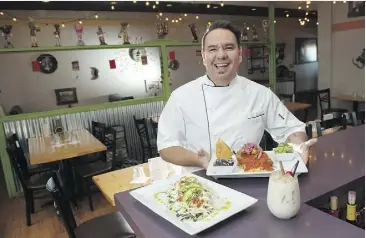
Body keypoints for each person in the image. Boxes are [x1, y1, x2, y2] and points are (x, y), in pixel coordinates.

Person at [157, 20, 316, 173]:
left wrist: (299, 146)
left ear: (239, 54)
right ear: (204, 57)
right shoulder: (181, 97)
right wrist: (198, 159)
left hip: (249, 178)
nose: (221, 55)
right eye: (212, 49)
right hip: (200, 182)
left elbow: (292, 129)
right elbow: (167, 146)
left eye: (229, 47)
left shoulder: (260, 94)